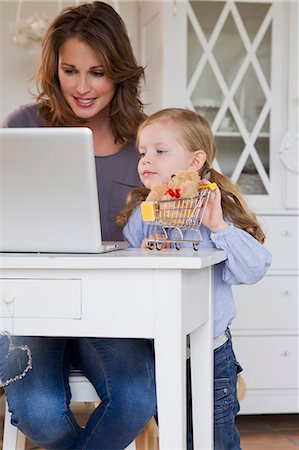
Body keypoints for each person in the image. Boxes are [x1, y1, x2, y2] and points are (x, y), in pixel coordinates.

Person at [0, 2, 156, 449]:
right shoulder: (21, 127)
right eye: (70, 70)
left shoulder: (148, 141)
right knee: (38, 411)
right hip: (29, 306)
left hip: (114, 308)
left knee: (134, 398)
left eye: (98, 72)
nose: (82, 88)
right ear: (54, 69)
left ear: (119, 73)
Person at [117, 108, 272, 450]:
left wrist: (219, 228)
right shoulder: (143, 217)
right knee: (177, 436)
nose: (146, 160)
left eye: (160, 151)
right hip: (160, 352)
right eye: (142, 152)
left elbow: (255, 268)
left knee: (215, 438)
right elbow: (130, 281)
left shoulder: (218, 211)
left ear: (195, 161)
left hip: (211, 353)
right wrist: (142, 255)